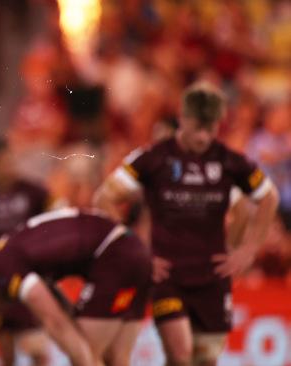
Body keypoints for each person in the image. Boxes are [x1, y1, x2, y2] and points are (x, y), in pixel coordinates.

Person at [93, 82, 280, 366]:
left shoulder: (229, 162)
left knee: (204, 359)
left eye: (211, 128)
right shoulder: (154, 159)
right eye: (198, 129)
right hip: (168, 277)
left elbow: (267, 198)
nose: (204, 137)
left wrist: (246, 250)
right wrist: (137, 254)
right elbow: (104, 198)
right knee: (181, 354)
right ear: (183, 119)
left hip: (212, 279)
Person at [0, 207, 152, 366]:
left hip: (113, 257)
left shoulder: (4, 268)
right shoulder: (5, 251)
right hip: (134, 250)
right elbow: (55, 298)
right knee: (115, 359)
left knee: (86, 354)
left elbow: (54, 320)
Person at [0, 137, 51, 366]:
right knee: (4, 349)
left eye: (10, 161)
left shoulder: (34, 192)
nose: (8, 166)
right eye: (2, 162)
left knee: (36, 348)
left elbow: (52, 222)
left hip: (27, 276)